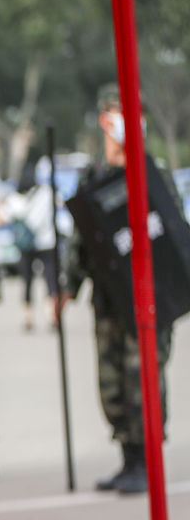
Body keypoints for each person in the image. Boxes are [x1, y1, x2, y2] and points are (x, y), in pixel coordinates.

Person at [61, 84, 178, 494]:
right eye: (117, 112)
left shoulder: (152, 173)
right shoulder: (93, 177)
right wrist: (67, 287)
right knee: (111, 381)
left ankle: (148, 460)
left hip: (147, 297)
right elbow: (81, 240)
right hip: (108, 298)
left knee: (142, 377)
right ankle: (128, 457)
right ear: (103, 120)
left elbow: (173, 234)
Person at [0, 160, 65, 331]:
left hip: (25, 246)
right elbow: (61, 204)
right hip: (47, 242)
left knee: (27, 281)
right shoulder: (47, 193)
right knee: (51, 279)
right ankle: (52, 315)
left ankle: (28, 317)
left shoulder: (13, 198)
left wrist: (0, 203)